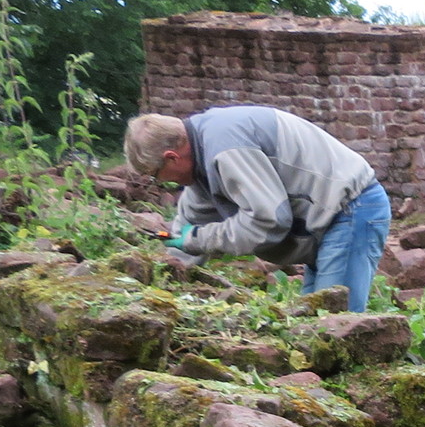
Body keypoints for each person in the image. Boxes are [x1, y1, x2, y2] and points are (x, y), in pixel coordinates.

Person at [123, 107, 392, 311]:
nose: (163, 183)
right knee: (313, 324)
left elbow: (268, 221)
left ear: (172, 157)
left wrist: (196, 240)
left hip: (350, 209)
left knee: (333, 324)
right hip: (325, 218)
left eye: (156, 175)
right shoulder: (202, 152)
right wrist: (161, 286)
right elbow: (191, 222)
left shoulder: (225, 148)